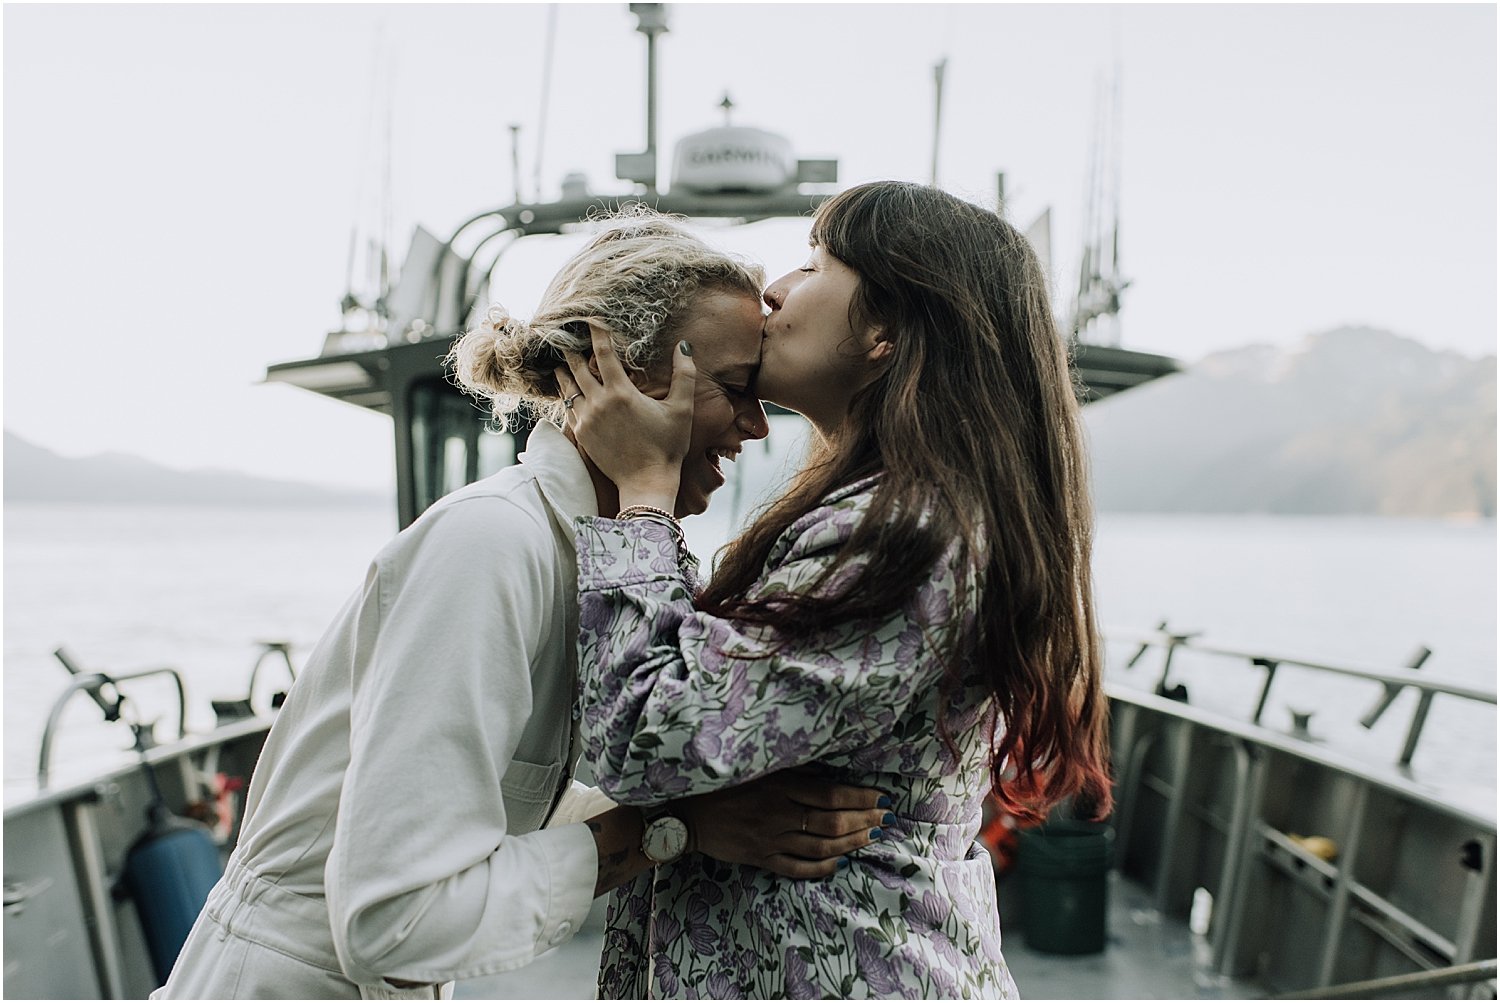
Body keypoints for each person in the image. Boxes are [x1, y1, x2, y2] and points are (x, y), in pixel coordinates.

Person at [153, 210, 889, 1000]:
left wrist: (707, 799)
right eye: (737, 388)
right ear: (617, 376)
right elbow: (391, 921)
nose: (756, 425)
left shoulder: (579, 553)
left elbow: (495, 819)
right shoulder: (492, 545)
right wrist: (670, 829)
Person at [556, 181, 1114, 999]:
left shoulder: (904, 534)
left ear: (886, 329)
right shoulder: (892, 513)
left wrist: (643, 492)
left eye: (816, 264)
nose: (776, 291)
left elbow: (646, 738)